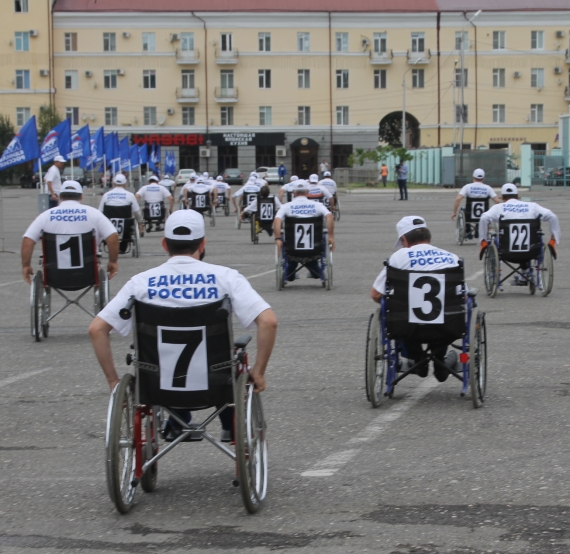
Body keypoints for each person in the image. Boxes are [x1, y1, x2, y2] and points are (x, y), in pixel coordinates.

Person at [88, 209, 278, 441]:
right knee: (227, 360)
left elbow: (97, 329)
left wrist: (113, 381)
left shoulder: (140, 283)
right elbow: (268, 322)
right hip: (215, 384)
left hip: (157, 385)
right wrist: (258, 372)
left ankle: (177, 420)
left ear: (164, 244)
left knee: (165, 358)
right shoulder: (226, 277)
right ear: (203, 243)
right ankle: (230, 424)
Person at [370, 216, 460, 382]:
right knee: (446, 312)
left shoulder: (398, 258)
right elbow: (463, 296)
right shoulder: (452, 258)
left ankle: (419, 360)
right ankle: (440, 362)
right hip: (447, 327)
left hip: (407, 327)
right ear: (428, 236)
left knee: (400, 316)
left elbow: (376, 294)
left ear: (404, 239)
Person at [22, 180, 119, 284]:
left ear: (59, 196)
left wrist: (26, 265)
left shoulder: (45, 216)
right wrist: (113, 261)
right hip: (87, 274)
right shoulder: (94, 214)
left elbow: (28, 240)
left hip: (55, 275)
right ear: (81, 197)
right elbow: (113, 236)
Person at [478, 183, 560, 285]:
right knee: (531, 239)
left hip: (506, 251)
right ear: (518, 196)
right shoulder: (532, 206)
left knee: (496, 238)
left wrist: (483, 241)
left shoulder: (499, 207)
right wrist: (553, 239)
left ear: (502, 197)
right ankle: (525, 272)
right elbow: (553, 217)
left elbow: (484, 218)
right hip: (531, 250)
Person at [273, 180, 335, 281]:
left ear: (293, 192)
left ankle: (289, 274)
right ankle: (316, 272)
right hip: (314, 248)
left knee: (291, 247)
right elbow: (329, 216)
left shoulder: (286, 207)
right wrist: (331, 236)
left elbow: (277, 220)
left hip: (292, 248)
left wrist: (278, 238)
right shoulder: (317, 206)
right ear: (307, 192)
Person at [99, 173, 144, 251]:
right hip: (125, 225)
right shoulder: (130, 195)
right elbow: (137, 212)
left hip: (109, 224)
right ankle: (123, 247)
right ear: (125, 184)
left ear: (114, 183)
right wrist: (140, 222)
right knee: (128, 225)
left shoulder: (106, 195)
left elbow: (100, 212)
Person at [451, 169, 500, 239]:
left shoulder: (467, 187)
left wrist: (454, 212)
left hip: (469, 215)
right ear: (483, 178)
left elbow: (458, 199)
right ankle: (478, 230)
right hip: (484, 215)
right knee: (488, 210)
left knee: (463, 210)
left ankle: (468, 232)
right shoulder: (488, 188)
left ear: (473, 177)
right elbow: (497, 201)